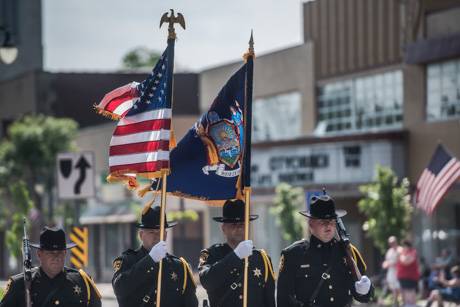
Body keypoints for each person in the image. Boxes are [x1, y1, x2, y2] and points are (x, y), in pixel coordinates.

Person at [277, 193, 373, 307]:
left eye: (332, 221)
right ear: (311, 225)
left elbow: (365, 296)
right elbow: (284, 300)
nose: (328, 226)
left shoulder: (348, 252)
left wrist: (365, 290)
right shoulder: (293, 255)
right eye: (323, 222)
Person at [112, 205, 198, 307]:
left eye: (160, 232)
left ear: (165, 235)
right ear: (141, 235)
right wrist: (150, 259)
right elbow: (120, 289)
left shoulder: (179, 267)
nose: (157, 236)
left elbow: (190, 303)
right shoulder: (128, 260)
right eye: (151, 232)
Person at [198, 199, 276, 307]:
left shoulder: (262, 259)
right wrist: (236, 256)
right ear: (223, 228)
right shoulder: (210, 254)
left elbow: (269, 301)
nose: (238, 228)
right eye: (233, 224)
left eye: (242, 224)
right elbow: (207, 281)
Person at [0, 227, 101, 307]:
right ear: (39, 254)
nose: (56, 257)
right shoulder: (19, 284)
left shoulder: (82, 282)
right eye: (50, 253)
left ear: (65, 253)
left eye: (60, 253)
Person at [396, 239, 420, 307]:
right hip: (403, 278)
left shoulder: (412, 252)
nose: (403, 248)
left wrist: (400, 255)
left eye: (404, 246)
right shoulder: (403, 253)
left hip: (410, 278)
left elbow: (406, 262)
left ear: (407, 246)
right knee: (404, 296)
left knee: (410, 296)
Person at [382, 236, 401, 306]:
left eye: (393, 242)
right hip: (391, 272)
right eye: (390, 243)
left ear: (396, 242)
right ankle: (395, 303)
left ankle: (399, 303)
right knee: (393, 289)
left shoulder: (400, 250)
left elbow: (399, 261)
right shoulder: (389, 251)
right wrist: (385, 264)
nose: (392, 244)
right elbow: (386, 261)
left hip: (399, 272)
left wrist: (390, 264)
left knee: (399, 288)